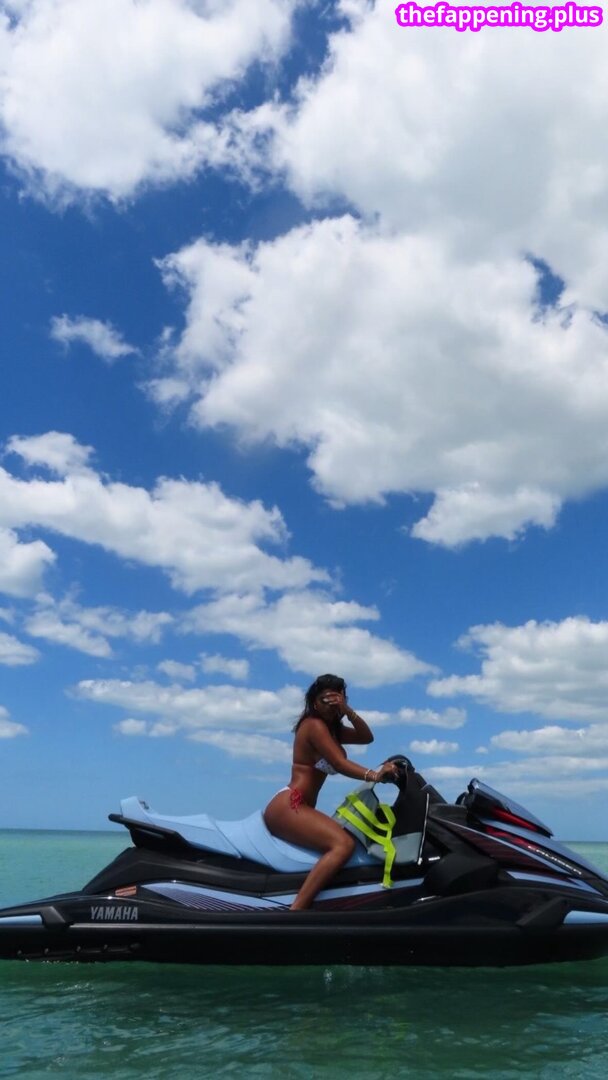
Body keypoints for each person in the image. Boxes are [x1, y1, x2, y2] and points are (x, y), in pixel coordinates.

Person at [263, 673, 399, 910]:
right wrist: (375, 775)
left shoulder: (333, 730)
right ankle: (296, 912)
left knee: (344, 841)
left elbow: (367, 737)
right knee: (342, 844)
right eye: (326, 699)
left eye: (337, 698)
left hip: (300, 806)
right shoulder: (313, 725)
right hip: (290, 804)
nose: (331, 704)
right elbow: (339, 763)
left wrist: (347, 710)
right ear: (315, 703)